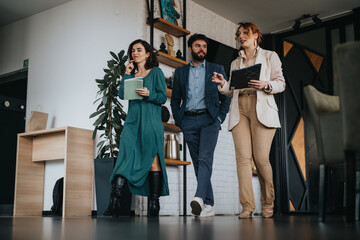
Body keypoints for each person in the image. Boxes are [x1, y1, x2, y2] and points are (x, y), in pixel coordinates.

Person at [212, 22, 286, 219]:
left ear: (256, 36)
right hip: (240, 109)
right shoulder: (235, 63)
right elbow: (231, 91)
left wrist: (266, 84)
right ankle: (247, 206)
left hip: (261, 106)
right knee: (242, 160)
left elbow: (281, 83)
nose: (241, 36)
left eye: (245, 33)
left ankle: (268, 202)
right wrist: (222, 84)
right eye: (239, 34)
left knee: (261, 159)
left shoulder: (270, 56)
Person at [104, 39, 169, 217]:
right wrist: (126, 74)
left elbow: (162, 97)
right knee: (124, 159)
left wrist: (149, 94)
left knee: (153, 160)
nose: (135, 53)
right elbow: (123, 94)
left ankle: (154, 205)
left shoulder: (156, 72)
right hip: (132, 123)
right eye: (133, 50)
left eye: (139, 50)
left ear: (148, 53)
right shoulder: (131, 76)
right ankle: (114, 202)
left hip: (151, 123)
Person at [171, 34, 230, 217]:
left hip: (209, 120)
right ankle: (209, 204)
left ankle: (199, 197)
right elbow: (175, 99)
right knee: (198, 163)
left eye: (204, 46)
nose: (201, 49)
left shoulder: (216, 68)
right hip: (188, 120)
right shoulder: (180, 72)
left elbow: (226, 95)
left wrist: (219, 118)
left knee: (205, 158)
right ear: (190, 49)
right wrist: (180, 120)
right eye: (197, 46)